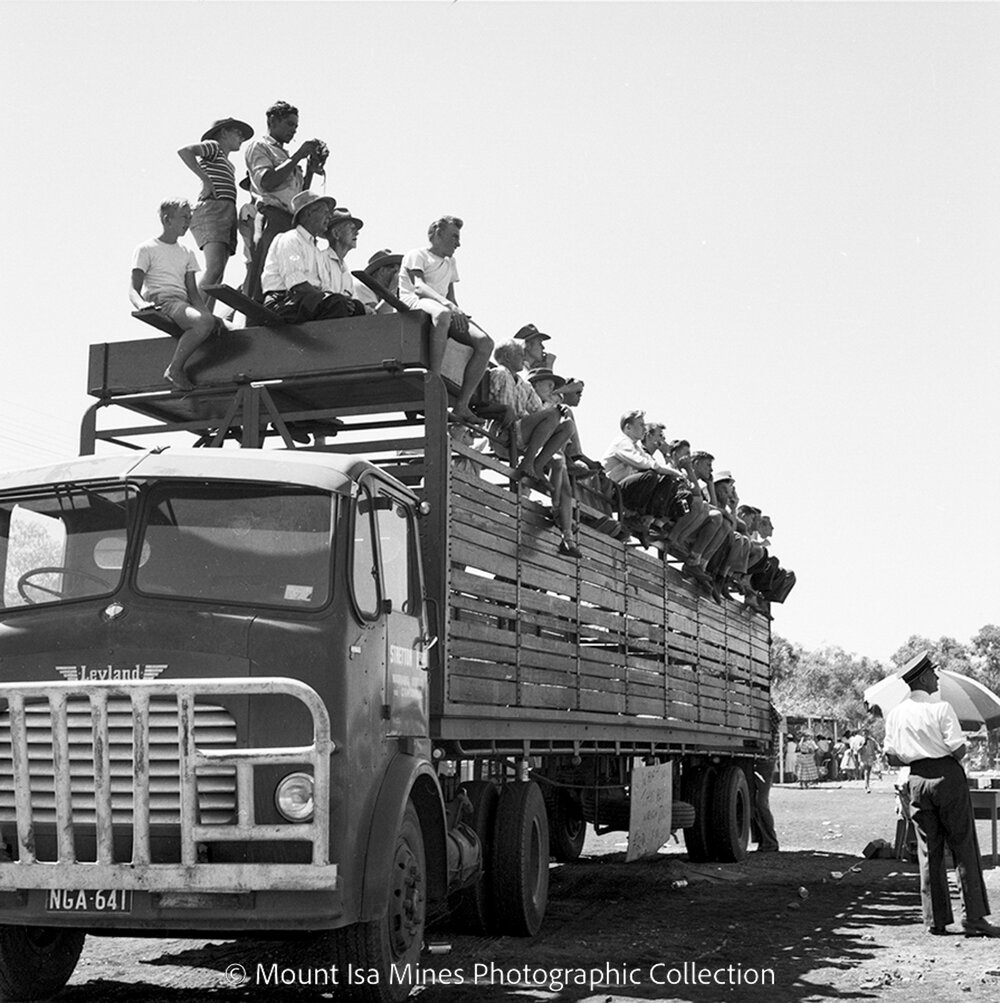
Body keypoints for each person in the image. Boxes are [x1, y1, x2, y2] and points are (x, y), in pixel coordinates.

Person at [883, 650, 1000, 937]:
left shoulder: (896, 713)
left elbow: (891, 757)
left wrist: (917, 753)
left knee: (929, 850)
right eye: (934, 673)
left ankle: (935, 920)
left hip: (916, 780)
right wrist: (952, 747)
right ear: (923, 677)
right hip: (947, 778)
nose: (937, 678)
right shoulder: (941, 708)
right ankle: (973, 918)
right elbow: (958, 749)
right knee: (963, 846)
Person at [399, 216, 492, 423]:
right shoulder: (417, 254)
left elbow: (451, 295)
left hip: (442, 306)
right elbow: (419, 287)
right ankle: (435, 379)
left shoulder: (450, 262)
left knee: (485, 343)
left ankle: (462, 406)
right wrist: (449, 307)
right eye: (454, 237)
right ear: (438, 234)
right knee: (442, 314)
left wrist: (457, 310)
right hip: (415, 301)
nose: (458, 243)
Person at [130, 198, 220, 392]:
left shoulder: (187, 252)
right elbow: (133, 288)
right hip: (163, 300)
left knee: (218, 325)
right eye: (183, 217)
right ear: (167, 220)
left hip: (182, 302)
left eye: (189, 217)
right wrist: (141, 305)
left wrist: (205, 314)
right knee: (204, 323)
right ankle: (175, 369)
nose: (187, 222)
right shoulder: (146, 249)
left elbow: (192, 291)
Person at [243, 100, 327, 301]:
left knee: (288, 276)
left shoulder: (286, 155)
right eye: (289, 124)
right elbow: (267, 182)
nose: (293, 131)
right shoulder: (260, 146)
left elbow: (299, 198)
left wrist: (310, 168)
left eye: (296, 127)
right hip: (272, 216)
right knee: (265, 273)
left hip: (290, 219)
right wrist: (298, 156)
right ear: (272, 121)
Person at [177, 117, 254, 309]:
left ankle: (205, 314)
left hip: (226, 211)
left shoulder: (228, 164)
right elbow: (185, 151)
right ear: (223, 133)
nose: (241, 137)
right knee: (214, 267)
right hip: (213, 208)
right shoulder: (213, 147)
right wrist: (205, 180)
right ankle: (191, 312)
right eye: (237, 132)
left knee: (219, 271)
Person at [261, 191, 357, 322]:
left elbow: (325, 287)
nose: (329, 217)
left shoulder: (315, 250)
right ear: (309, 213)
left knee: (356, 308)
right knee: (336, 303)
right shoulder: (290, 239)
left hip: (306, 301)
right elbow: (297, 285)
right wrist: (332, 299)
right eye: (325, 212)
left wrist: (344, 302)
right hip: (283, 302)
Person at [322, 207, 367, 317]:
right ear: (336, 233)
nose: (357, 233)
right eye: (351, 228)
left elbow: (354, 302)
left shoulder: (346, 270)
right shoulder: (321, 259)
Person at [751, 705, 782, 852]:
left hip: (766, 762)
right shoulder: (762, 723)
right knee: (757, 803)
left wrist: (763, 702)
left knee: (760, 802)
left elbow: (777, 717)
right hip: (762, 762)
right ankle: (764, 841)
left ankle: (770, 842)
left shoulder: (771, 721)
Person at [355, 249, 401, 314]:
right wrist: (393, 290)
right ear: (382, 271)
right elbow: (379, 318)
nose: (397, 276)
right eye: (395, 271)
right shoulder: (362, 286)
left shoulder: (380, 295)